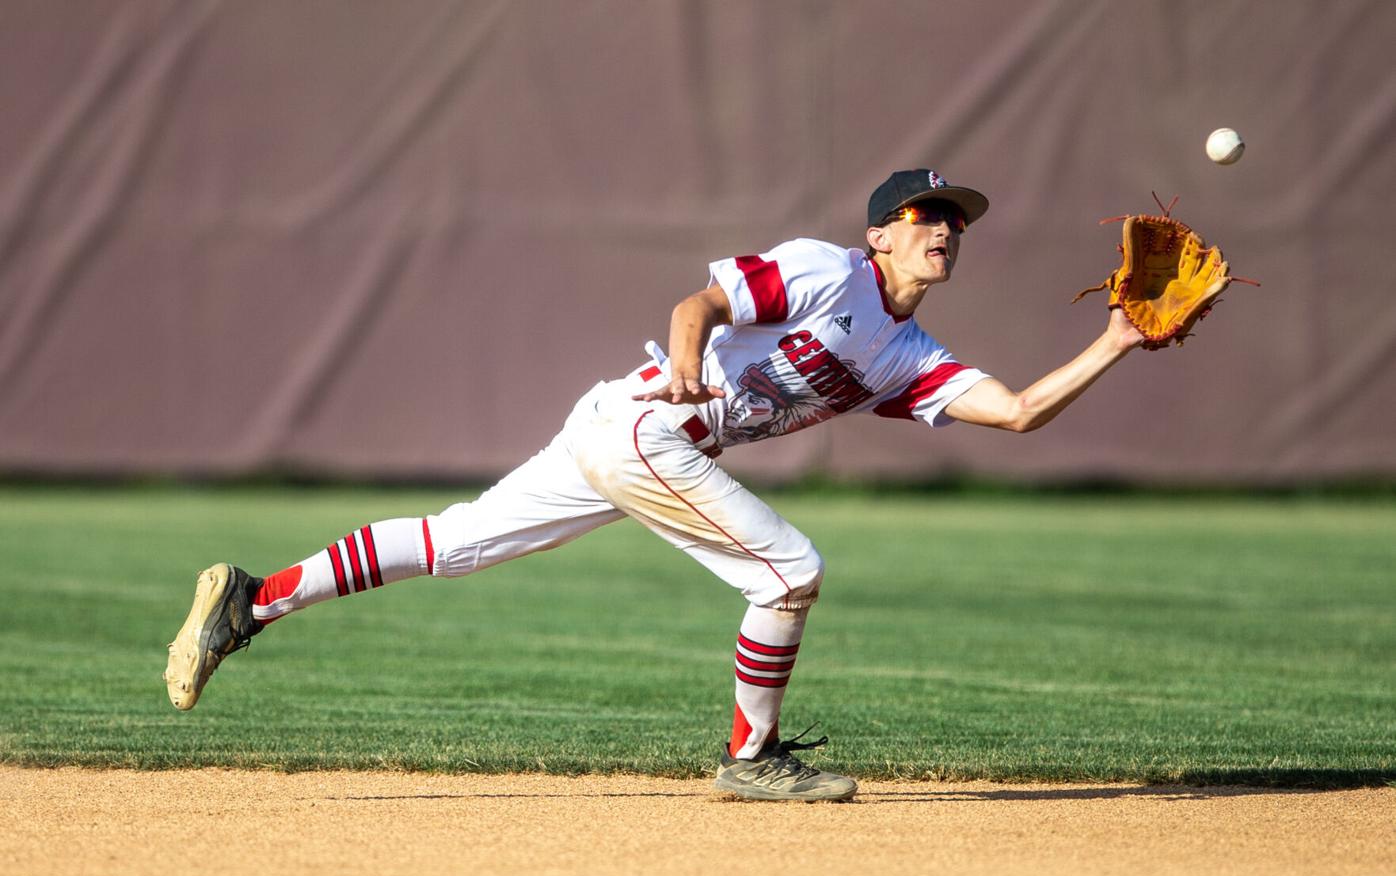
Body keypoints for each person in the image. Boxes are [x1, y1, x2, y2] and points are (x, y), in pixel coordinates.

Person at [164, 169, 1146, 802]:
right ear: (880, 235)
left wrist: (1114, 340)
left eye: (955, 221)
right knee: (788, 571)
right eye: (925, 216)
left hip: (625, 436)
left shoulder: (908, 353)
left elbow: (1015, 412)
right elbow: (702, 302)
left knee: (457, 542)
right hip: (639, 425)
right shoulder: (824, 272)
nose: (945, 230)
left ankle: (254, 600)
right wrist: (687, 360)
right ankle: (751, 760)